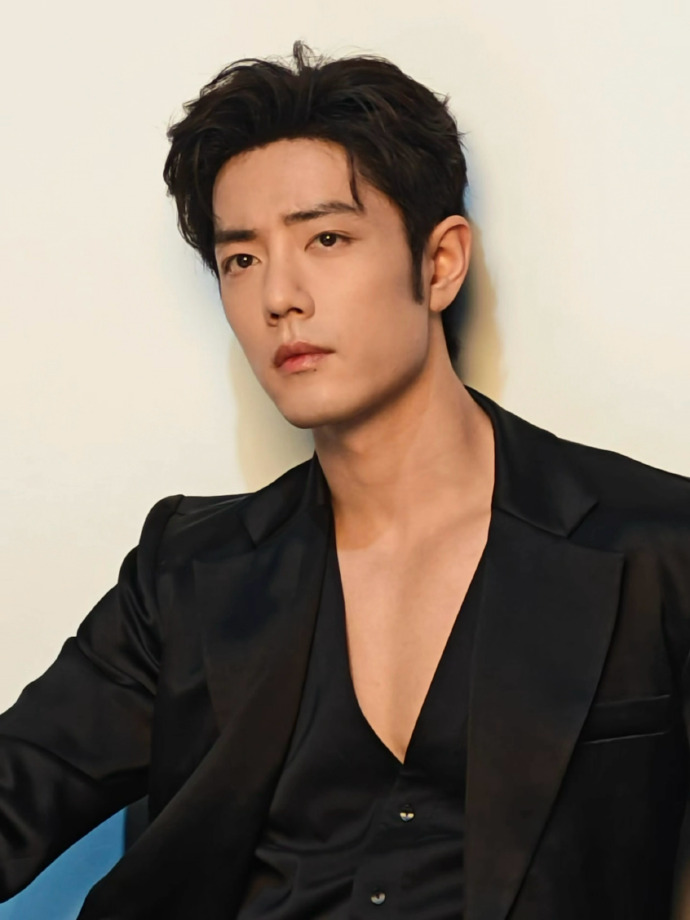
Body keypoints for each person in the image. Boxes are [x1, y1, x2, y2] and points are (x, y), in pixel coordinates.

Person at [1, 39, 689, 920]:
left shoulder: (654, 545)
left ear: (439, 263)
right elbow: (17, 787)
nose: (279, 296)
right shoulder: (185, 572)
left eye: (326, 238)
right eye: (242, 259)